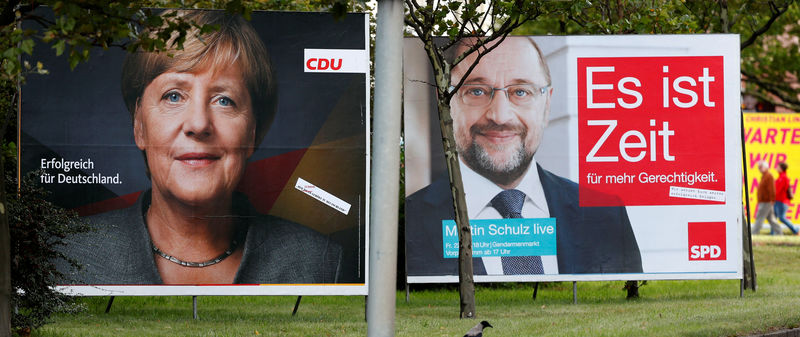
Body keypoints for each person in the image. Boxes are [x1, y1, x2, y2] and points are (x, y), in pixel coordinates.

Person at [58, 11, 342, 284]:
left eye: (224, 100)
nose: (198, 123)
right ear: (139, 127)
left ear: (253, 132)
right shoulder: (65, 257)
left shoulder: (320, 262)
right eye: (173, 96)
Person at [405, 37, 641, 276]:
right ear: (445, 103)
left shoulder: (606, 213)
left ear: (546, 104)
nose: (500, 116)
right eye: (476, 91)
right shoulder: (410, 218)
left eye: (520, 91)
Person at [750, 160, 782, 235]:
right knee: (772, 219)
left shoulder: (769, 176)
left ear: (765, 167)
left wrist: (772, 199)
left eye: (760, 167)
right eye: (758, 167)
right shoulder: (764, 176)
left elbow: (772, 189)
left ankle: (753, 234)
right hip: (765, 201)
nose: (759, 168)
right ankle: (780, 233)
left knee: (759, 218)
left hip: (766, 202)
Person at [773, 161, 798, 235]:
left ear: (781, 168)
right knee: (773, 217)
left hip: (782, 201)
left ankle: (796, 230)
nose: (776, 168)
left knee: (781, 218)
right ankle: (773, 234)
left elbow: (778, 190)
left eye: (777, 167)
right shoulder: (780, 177)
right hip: (778, 201)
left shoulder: (783, 178)